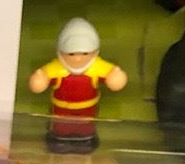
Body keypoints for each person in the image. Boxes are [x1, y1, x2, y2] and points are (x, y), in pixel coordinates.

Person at [27, 17, 128, 150]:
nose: (78, 58)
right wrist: (39, 79)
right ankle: (60, 139)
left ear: (94, 52)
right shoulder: (56, 69)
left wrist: (116, 76)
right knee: (61, 127)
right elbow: (41, 80)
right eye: (71, 54)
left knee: (85, 127)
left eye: (85, 54)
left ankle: (85, 140)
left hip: (87, 109)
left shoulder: (97, 68)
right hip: (61, 109)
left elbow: (113, 77)